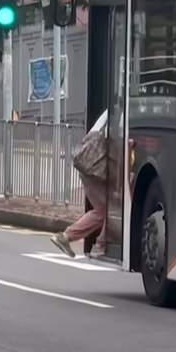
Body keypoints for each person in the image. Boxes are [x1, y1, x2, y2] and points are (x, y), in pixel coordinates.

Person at [51, 109, 109, 259]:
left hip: (86, 164)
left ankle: (73, 238)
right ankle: (99, 246)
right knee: (106, 211)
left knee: (103, 210)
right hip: (94, 167)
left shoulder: (110, 113)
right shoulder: (122, 115)